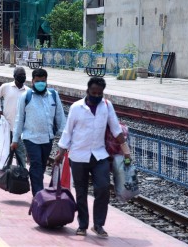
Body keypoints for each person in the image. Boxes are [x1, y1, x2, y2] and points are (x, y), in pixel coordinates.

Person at [54, 77, 131, 238]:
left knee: (103, 188)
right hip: (78, 155)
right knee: (81, 192)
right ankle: (82, 225)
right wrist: (61, 153)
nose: (96, 95)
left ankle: (98, 225)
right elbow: (67, 132)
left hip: (99, 154)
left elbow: (116, 130)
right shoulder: (76, 107)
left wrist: (126, 151)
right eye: (93, 92)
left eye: (99, 93)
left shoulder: (107, 106)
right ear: (87, 91)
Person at [11, 68, 65, 196]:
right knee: (36, 165)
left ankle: (38, 188)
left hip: (48, 138)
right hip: (31, 138)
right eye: (38, 81)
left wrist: (64, 139)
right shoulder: (25, 96)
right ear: (32, 81)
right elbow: (19, 119)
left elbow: (60, 117)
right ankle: (38, 195)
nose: (41, 83)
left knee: (41, 166)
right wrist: (15, 140)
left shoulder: (53, 95)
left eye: (43, 81)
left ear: (46, 81)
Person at [0, 67, 29, 165]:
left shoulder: (28, 91)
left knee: (21, 157)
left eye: (24, 75)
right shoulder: (6, 87)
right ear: (14, 76)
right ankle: (5, 176)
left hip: (21, 131)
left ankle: (21, 177)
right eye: (20, 75)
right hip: (7, 128)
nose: (22, 76)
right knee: (6, 156)